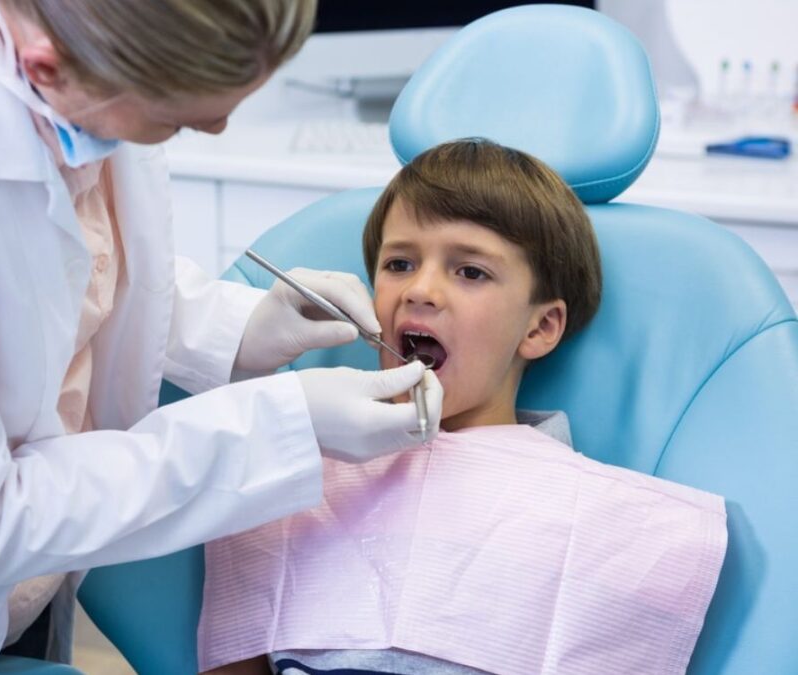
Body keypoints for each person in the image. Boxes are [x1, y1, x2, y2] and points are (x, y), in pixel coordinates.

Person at [0, 0, 441, 672]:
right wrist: (286, 425)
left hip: (29, 583)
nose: (220, 128)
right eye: (182, 120)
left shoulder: (87, 56)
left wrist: (241, 323)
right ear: (45, 65)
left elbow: (61, 263)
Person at [199, 140, 726, 674]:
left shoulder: (599, 523)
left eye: (470, 272)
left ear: (540, 327)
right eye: (399, 263)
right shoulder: (291, 479)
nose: (420, 290)